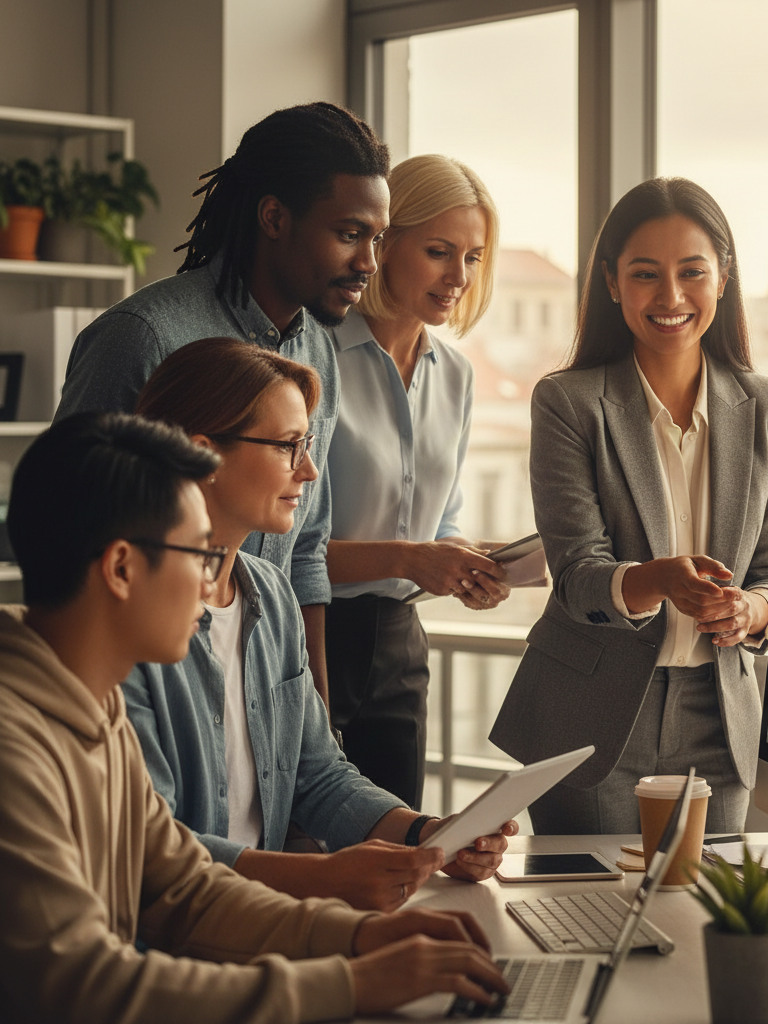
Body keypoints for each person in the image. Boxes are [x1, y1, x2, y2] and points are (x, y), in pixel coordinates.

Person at [0, 412, 509, 1024]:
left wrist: (357, 939)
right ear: (121, 568)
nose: (213, 583)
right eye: (199, 556)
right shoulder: (15, 747)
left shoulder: (91, 702)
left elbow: (186, 890)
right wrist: (350, 984)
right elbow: (81, 985)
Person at [127, 338, 514, 912]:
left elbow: (318, 775)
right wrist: (321, 879)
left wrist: (425, 835)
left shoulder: (272, 595)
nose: (308, 471)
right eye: (288, 446)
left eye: (307, 444)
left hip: (266, 920)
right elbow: (146, 847)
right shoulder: (128, 615)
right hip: (177, 935)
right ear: (199, 454)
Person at [54, 101, 392, 708]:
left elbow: (306, 547)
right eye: (349, 234)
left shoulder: (320, 349)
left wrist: (314, 714)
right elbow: (68, 532)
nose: (368, 262)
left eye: (377, 238)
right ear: (273, 217)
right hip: (146, 698)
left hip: (263, 697)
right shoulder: (142, 337)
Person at [490, 177, 768, 834]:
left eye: (692, 272)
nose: (671, 297)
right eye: (644, 274)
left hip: (722, 719)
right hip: (593, 718)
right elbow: (577, 577)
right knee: (585, 920)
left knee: (704, 924)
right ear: (610, 282)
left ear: (724, 276)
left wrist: (749, 609)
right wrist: (657, 580)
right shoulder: (567, 403)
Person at [324, 154, 510, 808]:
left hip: (402, 646)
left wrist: (463, 564)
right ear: (384, 242)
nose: (458, 276)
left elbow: (443, 516)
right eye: (439, 251)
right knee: (308, 851)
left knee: (396, 845)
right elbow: (276, 548)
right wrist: (411, 558)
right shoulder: (316, 358)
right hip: (313, 632)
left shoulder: (454, 375)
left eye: (473, 257)